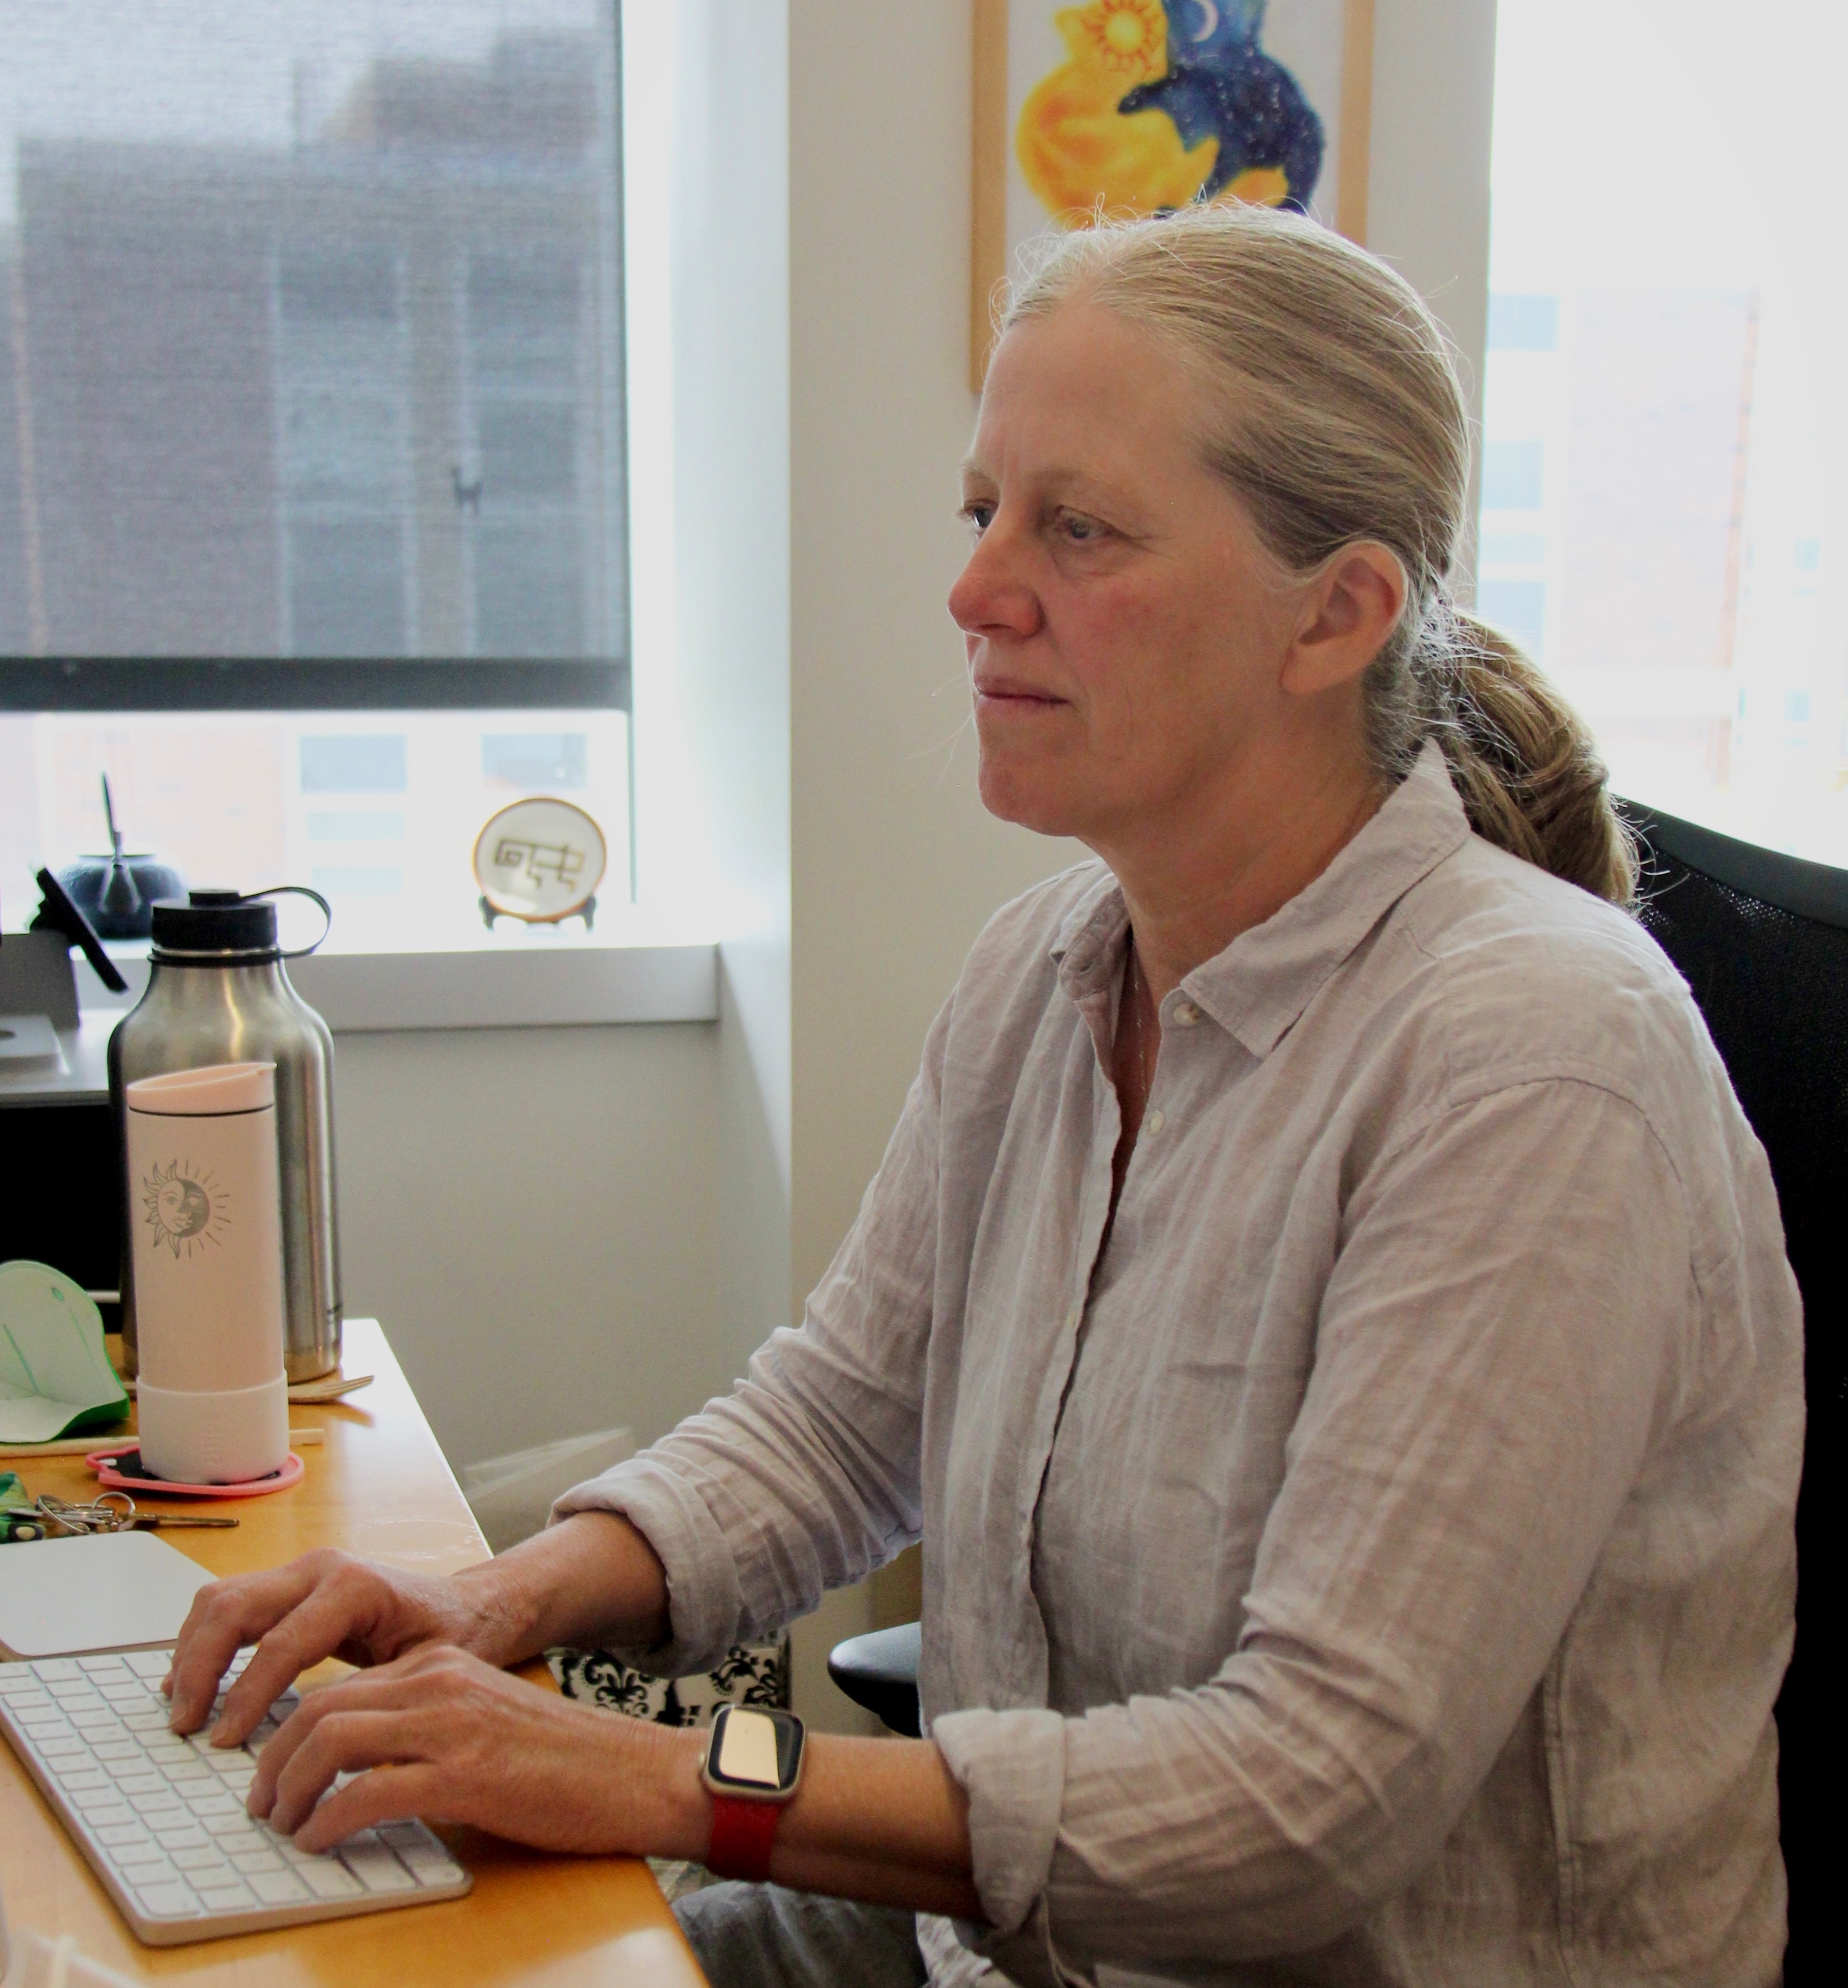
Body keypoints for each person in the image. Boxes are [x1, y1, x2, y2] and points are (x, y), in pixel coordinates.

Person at [165, 204, 1801, 1987]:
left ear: (1332, 615)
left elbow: (1302, 1802)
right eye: (983, 512)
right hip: (1016, 1953)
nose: (974, 589)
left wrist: (651, 1774)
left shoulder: (1531, 1059)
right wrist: (490, 1608)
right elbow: (838, 1421)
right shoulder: (1049, 968)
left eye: (1077, 527)